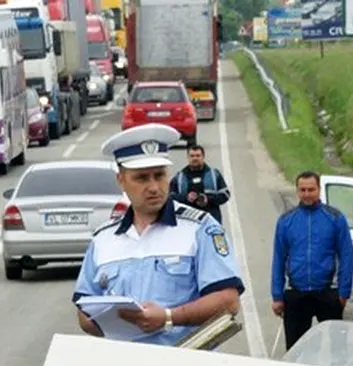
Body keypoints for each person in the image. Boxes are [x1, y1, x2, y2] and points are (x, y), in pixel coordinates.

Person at [73, 123, 244, 345]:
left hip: (186, 365)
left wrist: (169, 318)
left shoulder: (200, 228)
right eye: (142, 178)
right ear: (121, 181)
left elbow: (228, 301)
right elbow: (84, 311)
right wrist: (114, 322)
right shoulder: (103, 240)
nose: (154, 187)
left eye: (159, 175)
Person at [269, 171, 353, 351]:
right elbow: (278, 259)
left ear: (319, 190)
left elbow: (346, 256)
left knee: (338, 351)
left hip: (327, 292)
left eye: (311, 190)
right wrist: (277, 295)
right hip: (296, 293)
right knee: (296, 350)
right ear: (297, 191)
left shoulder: (335, 218)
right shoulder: (286, 221)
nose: (307, 194)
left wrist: (343, 293)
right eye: (303, 190)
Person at [169, 144, 230, 224]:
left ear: (203, 157)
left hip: (211, 221)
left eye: (198, 156)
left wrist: (208, 199)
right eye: (192, 156)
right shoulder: (179, 177)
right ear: (188, 158)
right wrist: (186, 198)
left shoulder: (214, 174)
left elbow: (225, 194)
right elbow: (170, 197)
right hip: (187, 222)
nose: (195, 158)